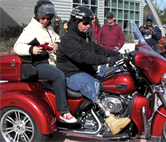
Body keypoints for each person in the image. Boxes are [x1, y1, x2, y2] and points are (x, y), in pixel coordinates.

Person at [56, 6, 130, 135]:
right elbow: (83, 56)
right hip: (71, 73)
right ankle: (110, 120)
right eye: (85, 23)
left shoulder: (84, 36)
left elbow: (97, 49)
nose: (88, 26)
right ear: (75, 21)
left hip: (83, 71)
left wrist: (116, 55)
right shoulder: (69, 39)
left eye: (89, 23)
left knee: (107, 81)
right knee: (91, 84)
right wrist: (106, 59)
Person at [14, 0, 77, 123]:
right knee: (59, 75)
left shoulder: (48, 28)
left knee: (72, 69)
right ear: (37, 16)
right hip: (38, 64)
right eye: (43, 18)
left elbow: (58, 39)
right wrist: (31, 49)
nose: (46, 21)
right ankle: (64, 112)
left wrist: (57, 45)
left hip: (51, 62)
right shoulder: (31, 28)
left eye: (48, 18)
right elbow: (17, 46)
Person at [97, 12, 125, 76]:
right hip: (104, 49)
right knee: (103, 65)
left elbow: (122, 39)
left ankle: (114, 78)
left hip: (113, 49)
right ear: (106, 19)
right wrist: (100, 46)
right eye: (108, 18)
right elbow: (98, 37)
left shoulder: (118, 27)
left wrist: (118, 47)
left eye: (111, 18)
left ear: (113, 18)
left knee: (114, 66)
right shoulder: (103, 27)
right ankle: (101, 78)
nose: (109, 19)